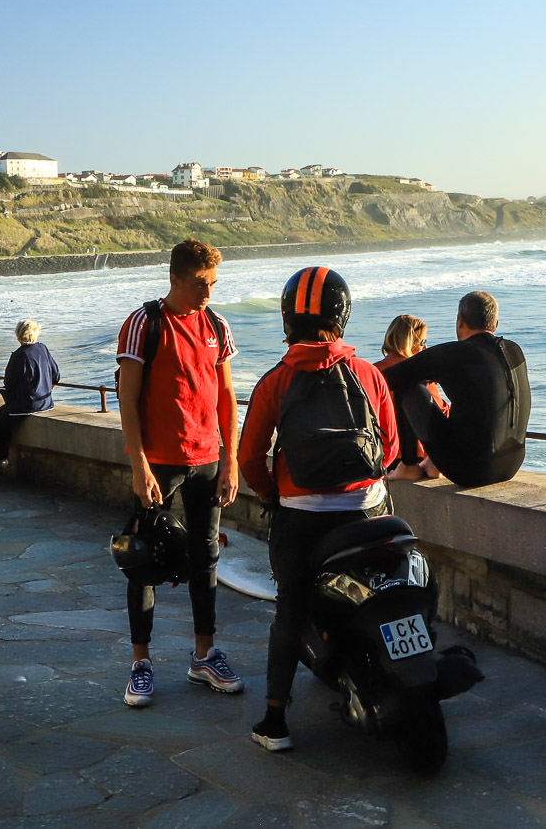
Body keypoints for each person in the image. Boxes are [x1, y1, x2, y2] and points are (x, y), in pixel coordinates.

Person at [238, 266, 398, 752]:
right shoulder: (368, 374)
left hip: (301, 518)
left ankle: (274, 722)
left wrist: (272, 493)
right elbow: (390, 450)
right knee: (384, 593)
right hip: (367, 514)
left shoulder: (275, 382)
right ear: (342, 316)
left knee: (290, 609)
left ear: (288, 318)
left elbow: (249, 457)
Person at [115, 237, 242, 707]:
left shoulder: (217, 325)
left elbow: (226, 397)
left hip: (207, 459)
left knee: (206, 557)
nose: (208, 292)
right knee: (143, 561)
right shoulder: (144, 323)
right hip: (159, 463)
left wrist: (231, 459)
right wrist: (139, 464)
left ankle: (204, 656)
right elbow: (127, 399)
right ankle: (141, 663)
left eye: (213, 283)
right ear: (174, 279)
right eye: (199, 283)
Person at [379, 291, 531, 489]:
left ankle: (408, 466)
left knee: (408, 384)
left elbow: (386, 379)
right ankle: (433, 462)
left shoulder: (453, 353)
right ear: (495, 325)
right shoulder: (514, 350)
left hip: (469, 471)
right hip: (511, 465)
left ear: (460, 321)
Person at [0, 319, 61, 485]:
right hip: (45, 402)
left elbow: (9, 383)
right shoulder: (42, 348)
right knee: (0, 414)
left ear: (19, 335)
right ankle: (4, 457)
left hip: (24, 405)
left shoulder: (18, 355)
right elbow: (56, 375)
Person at [375, 314, 445, 480]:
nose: (425, 347)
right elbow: (439, 411)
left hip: (383, 455)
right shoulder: (419, 375)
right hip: (416, 457)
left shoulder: (374, 372)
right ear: (409, 343)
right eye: (422, 342)